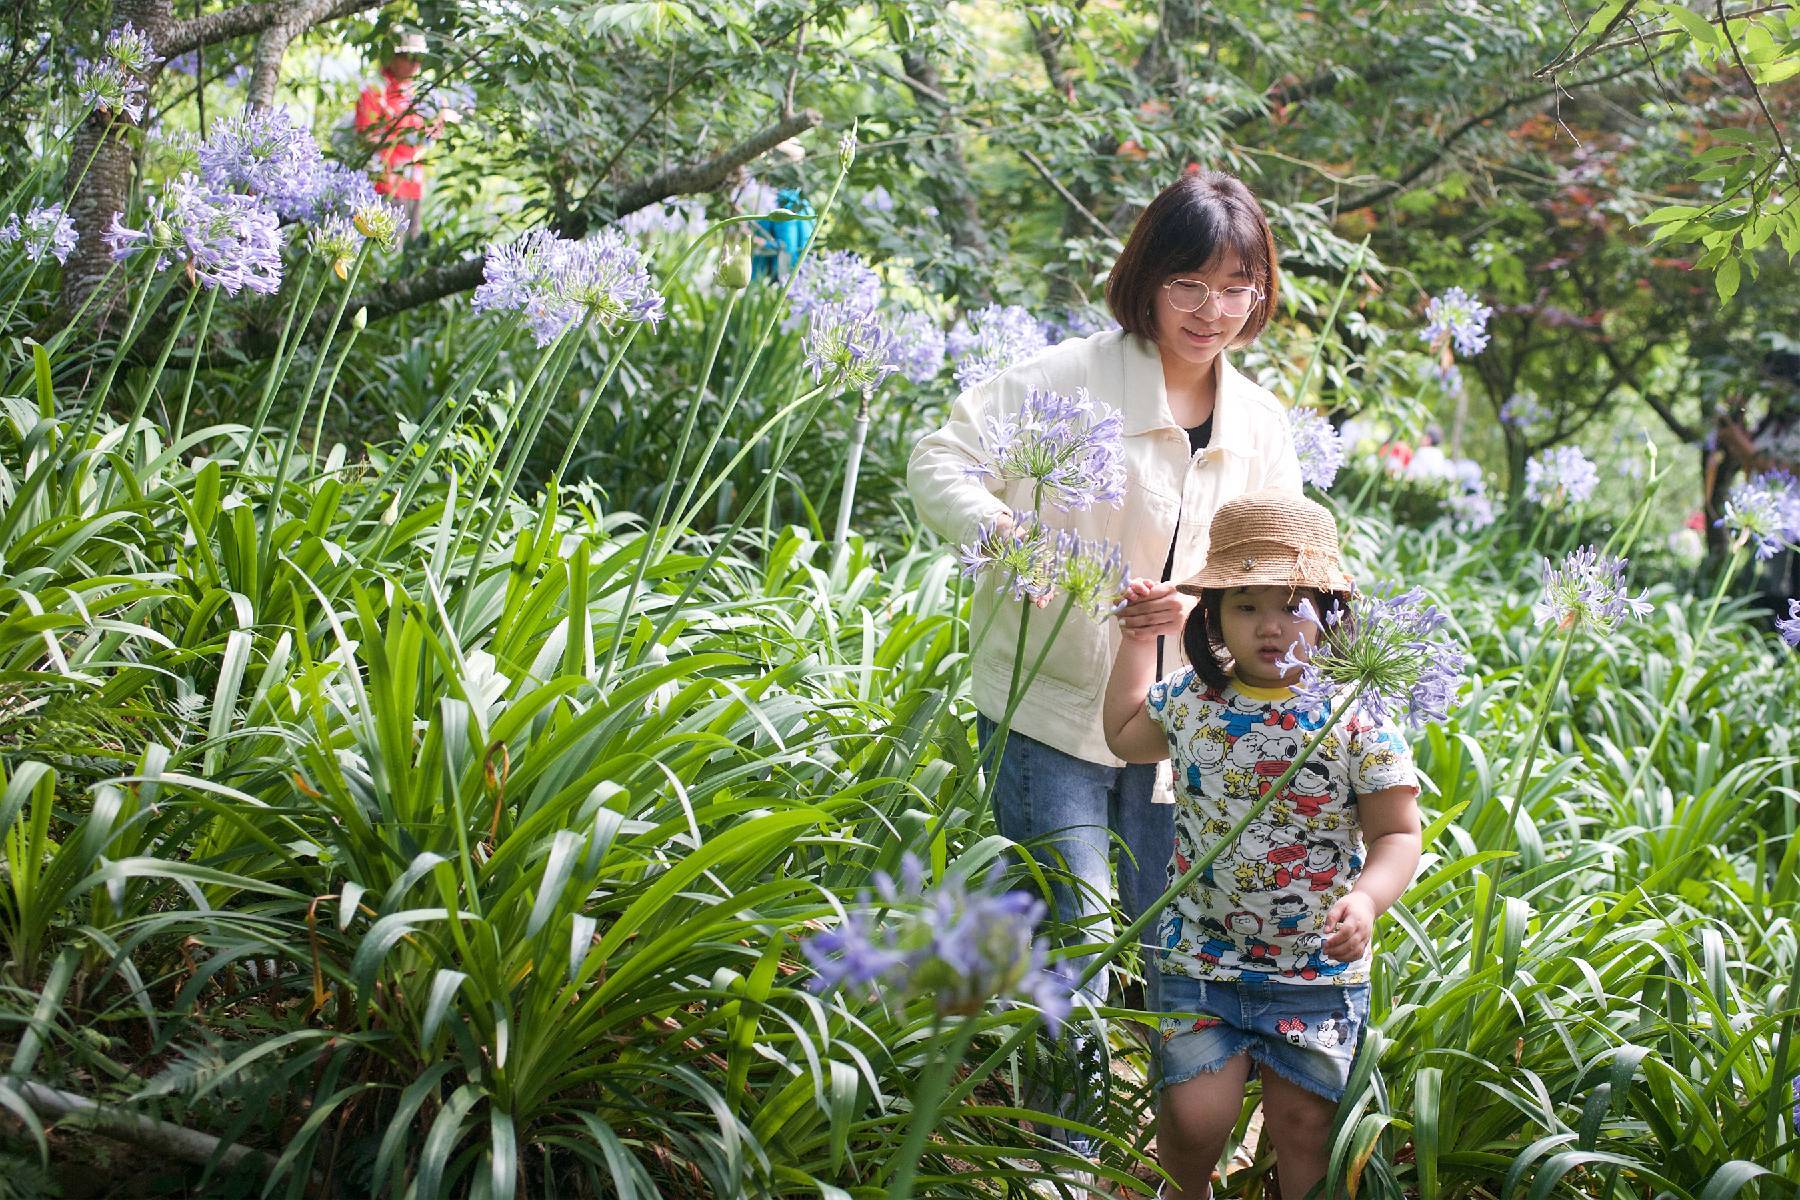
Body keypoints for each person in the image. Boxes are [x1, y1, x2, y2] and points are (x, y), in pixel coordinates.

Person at [906, 171, 1301, 1171]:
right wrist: (1005, 535)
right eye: (1192, 286)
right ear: (1147, 281)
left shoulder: (1262, 427)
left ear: (1262, 292)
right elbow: (937, 458)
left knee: (1179, 954)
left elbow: (1284, 573)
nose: (1215, 311)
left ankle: (1174, 1172)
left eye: (1239, 285)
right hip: (1051, 707)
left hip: (1183, 726)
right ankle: (1058, 1170)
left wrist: (1207, 612)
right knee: (1075, 941)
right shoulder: (1069, 379)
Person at [1101, 490, 1422, 1198]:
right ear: (1212, 615)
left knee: (1306, 1130)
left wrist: (1367, 902)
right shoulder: (1193, 701)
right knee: (1190, 1119)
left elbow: (1397, 832)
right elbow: (1125, 734)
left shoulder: (1355, 716)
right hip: (1200, 957)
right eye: (1246, 605)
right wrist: (1134, 641)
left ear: (1331, 617)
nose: (1271, 627)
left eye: (1292, 606)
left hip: (1313, 970)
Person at [355, 31, 443, 241]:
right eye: (409, 57)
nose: (415, 64)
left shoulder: (419, 95)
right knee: (384, 248)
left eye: (419, 58)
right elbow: (365, 136)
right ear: (392, 56)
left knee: (408, 251)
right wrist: (400, 140)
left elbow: (430, 135)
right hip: (384, 187)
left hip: (413, 186)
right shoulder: (375, 92)